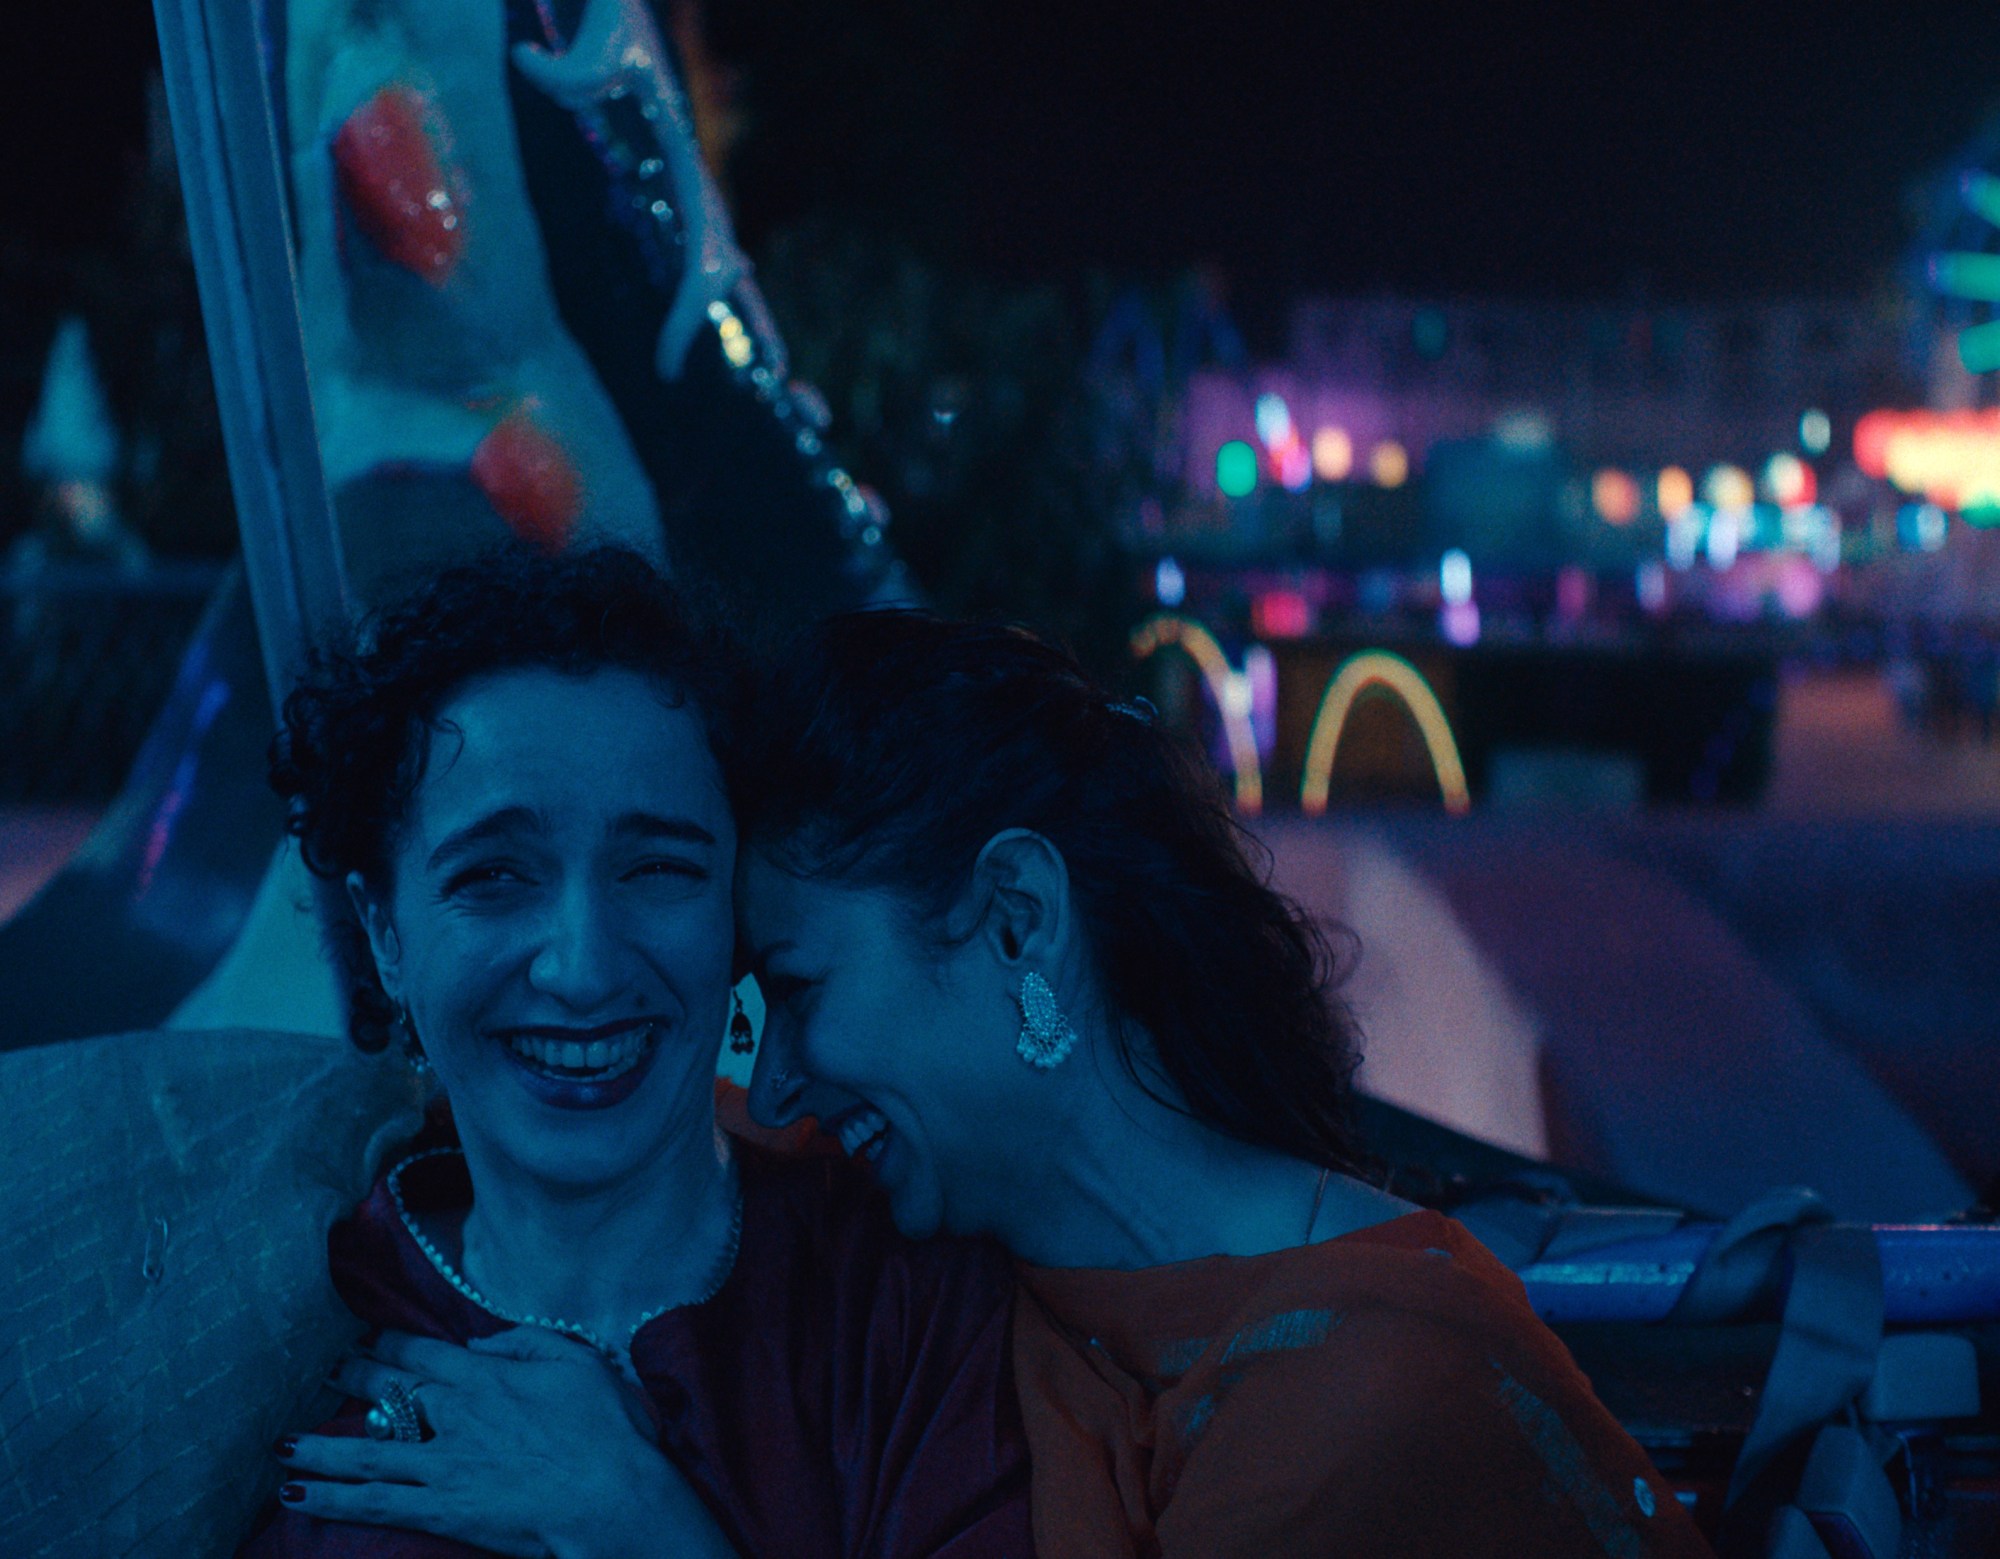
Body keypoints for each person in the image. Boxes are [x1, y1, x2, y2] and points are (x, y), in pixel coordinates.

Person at [736, 610, 1714, 1559]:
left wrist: (633, 1506)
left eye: (797, 988)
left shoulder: (1362, 1385)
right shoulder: (990, 1293)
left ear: (1014, 919)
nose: (775, 1086)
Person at [243, 549, 1033, 1558]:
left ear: (735, 906)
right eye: (493, 876)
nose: (582, 967)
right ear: (385, 933)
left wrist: (642, 1526)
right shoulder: (280, 1323)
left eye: (657, 866)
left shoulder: (910, 1305)